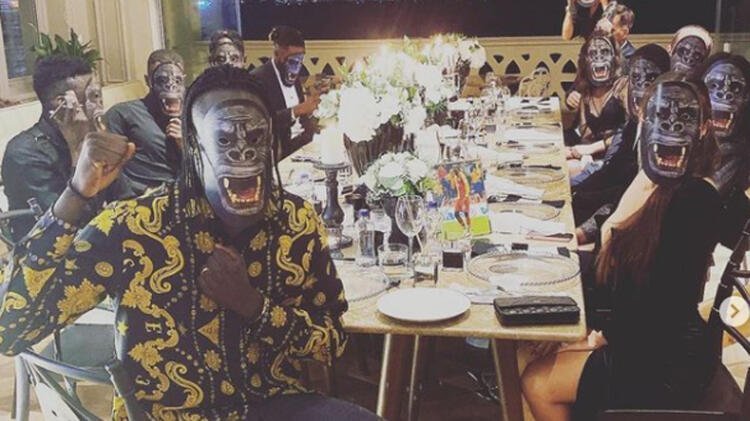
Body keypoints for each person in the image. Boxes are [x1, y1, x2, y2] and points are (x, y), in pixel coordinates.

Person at [0, 66, 378, 420]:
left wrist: (254, 307)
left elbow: (331, 341)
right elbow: (10, 328)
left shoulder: (296, 221)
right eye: (224, 139)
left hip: (273, 402)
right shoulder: (135, 228)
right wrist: (75, 194)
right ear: (195, 146)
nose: (243, 151)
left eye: (255, 137)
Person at [522, 74, 720, 421]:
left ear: (703, 128)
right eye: (659, 114)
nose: (670, 125)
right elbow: (611, 242)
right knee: (528, 348)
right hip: (646, 339)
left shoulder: (696, 198)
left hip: (667, 361)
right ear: (643, 117)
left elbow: (665, 301)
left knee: (536, 382)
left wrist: (600, 337)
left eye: (686, 117)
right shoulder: (656, 180)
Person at [1, 55, 132, 241]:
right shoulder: (24, 153)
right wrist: (78, 149)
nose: (99, 106)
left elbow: (125, 199)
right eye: (93, 96)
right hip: (49, 251)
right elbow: (65, 227)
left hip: (104, 241)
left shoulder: (94, 135)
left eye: (99, 95)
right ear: (62, 104)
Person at [573, 44, 671, 244]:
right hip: (610, 224)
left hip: (630, 242)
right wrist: (572, 191)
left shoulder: (662, 142)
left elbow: (631, 203)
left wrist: (583, 233)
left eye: (651, 80)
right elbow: (610, 173)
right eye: (636, 79)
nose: (642, 89)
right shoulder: (633, 125)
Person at [104, 49, 186, 196]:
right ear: (149, 80)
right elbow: (109, 167)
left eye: (177, 80)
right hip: (142, 197)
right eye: (161, 79)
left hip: (185, 195)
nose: (170, 85)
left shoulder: (194, 114)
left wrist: (184, 144)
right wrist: (138, 195)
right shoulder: (122, 113)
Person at [699, 53, 750, 247]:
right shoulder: (684, 150)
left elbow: (734, 237)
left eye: (735, 89)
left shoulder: (745, 159)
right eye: (713, 86)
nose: (724, 94)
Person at [250, 26, 320, 160]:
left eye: (299, 61)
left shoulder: (295, 76)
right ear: (276, 53)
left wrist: (313, 108)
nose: (296, 67)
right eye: (291, 61)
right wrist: (295, 111)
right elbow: (258, 123)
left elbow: (304, 119)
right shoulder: (258, 79)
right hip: (277, 153)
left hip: (302, 148)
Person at [565, 31, 628, 178]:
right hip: (589, 153)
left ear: (615, 58)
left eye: (605, 52)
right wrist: (575, 151)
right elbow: (585, 134)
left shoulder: (623, 87)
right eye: (593, 53)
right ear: (585, 60)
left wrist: (592, 149)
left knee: (566, 170)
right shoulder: (586, 87)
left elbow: (629, 133)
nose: (599, 57)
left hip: (615, 158)